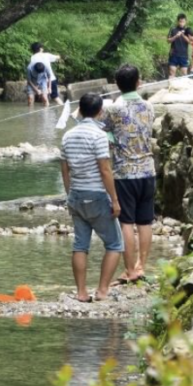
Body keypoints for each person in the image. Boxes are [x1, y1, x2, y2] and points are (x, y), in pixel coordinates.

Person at [60, 92, 123, 302]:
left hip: (76, 195)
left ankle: (81, 293)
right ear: (100, 112)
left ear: (79, 110)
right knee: (114, 244)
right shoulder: (99, 136)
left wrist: (69, 195)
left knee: (80, 245)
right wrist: (114, 200)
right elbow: (105, 169)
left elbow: (64, 169)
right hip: (96, 195)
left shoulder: (68, 136)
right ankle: (102, 291)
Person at [102, 64, 156, 283]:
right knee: (145, 222)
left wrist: (114, 140)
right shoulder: (149, 107)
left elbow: (103, 132)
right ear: (138, 82)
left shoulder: (113, 109)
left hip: (124, 173)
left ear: (117, 85)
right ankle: (141, 266)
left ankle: (130, 270)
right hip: (148, 171)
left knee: (126, 223)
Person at [166, 13, 192, 77]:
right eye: (180, 21)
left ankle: (184, 86)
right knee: (172, 72)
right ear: (177, 21)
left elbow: (190, 42)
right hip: (174, 54)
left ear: (186, 21)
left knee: (184, 73)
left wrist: (183, 35)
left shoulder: (188, 30)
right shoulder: (173, 29)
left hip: (183, 55)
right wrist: (176, 36)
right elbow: (168, 40)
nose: (181, 23)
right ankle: (171, 86)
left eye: (183, 22)